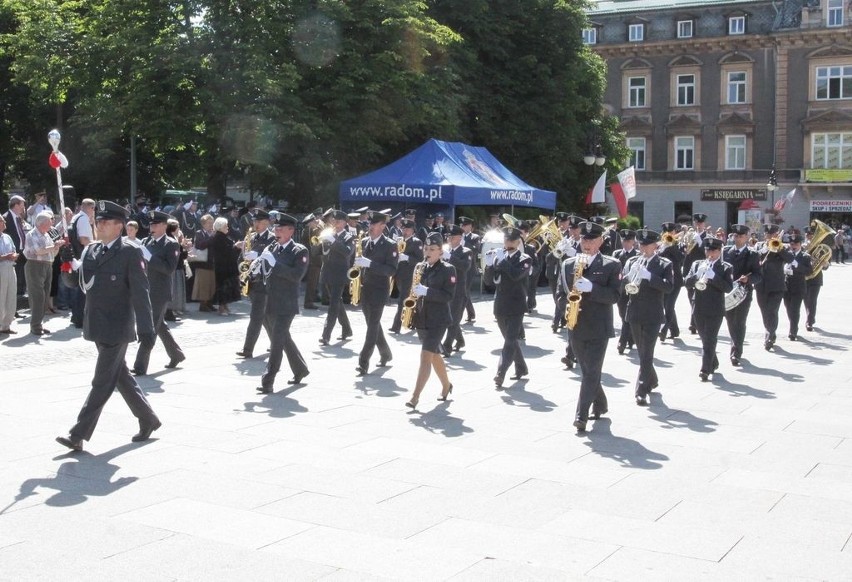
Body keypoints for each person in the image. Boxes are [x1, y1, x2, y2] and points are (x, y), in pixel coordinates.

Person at [55, 201, 160, 451]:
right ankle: (148, 419)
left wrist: (147, 328)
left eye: (105, 222)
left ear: (119, 226)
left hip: (118, 326)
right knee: (120, 376)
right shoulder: (91, 251)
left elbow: (140, 292)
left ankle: (78, 434)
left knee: (101, 381)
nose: (99, 225)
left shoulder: (130, 252)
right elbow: (78, 285)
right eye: (98, 221)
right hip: (96, 324)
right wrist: (67, 263)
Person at [559, 221, 621, 431]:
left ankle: (581, 416)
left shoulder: (611, 264)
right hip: (575, 324)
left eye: (591, 239)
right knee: (588, 371)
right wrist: (565, 309)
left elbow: (614, 296)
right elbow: (561, 293)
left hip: (598, 327)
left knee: (592, 370)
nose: (587, 243)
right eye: (584, 239)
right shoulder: (568, 264)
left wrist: (592, 288)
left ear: (600, 241)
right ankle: (601, 403)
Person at [256, 214, 311, 393]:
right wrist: (256, 264)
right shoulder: (273, 247)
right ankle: (300, 369)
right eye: (275, 229)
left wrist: (274, 264)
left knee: (277, 342)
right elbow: (266, 272)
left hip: (286, 303)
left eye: (280, 229)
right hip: (269, 300)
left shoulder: (299, 251)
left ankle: (268, 380)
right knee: (283, 338)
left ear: (291, 231)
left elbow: (296, 276)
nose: (276, 232)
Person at [131, 210, 186, 375]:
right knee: (159, 325)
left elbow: (169, 269)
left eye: (155, 224)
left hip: (160, 292)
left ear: (164, 226)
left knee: (150, 328)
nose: (152, 227)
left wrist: (149, 258)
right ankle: (176, 354)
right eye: (151, 224)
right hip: (145, 289)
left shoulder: (171, 244)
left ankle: (140, 365)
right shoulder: (147, 241)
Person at [406, 232, 456, 409]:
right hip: (422, 317)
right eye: (426, 249)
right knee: (434, 355)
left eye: (432, 249)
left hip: (439, 319)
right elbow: (414, 291)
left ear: (440, 252)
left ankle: (415, 396)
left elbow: (448, 296)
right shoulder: (420, 266)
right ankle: (446, 385)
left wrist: (427, 291)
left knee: (425, 355)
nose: (428, 252)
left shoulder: (448, 269)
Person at [624, 230, 674, 405]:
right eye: (641, 244)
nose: (643, 248)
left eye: (647, 245)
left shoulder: (664, 264)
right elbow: (623, 283)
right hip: (635, 311)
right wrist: (630, 276)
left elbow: (668, 287)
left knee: (647, 353)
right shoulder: (632, 261)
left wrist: (650, 276)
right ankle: (652, 379)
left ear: (655, 246)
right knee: (642, 351)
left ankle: (641, 390)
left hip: (653, 313)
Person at [484, 226, 533, 388]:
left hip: (517, 305)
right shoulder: (499, 256)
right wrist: (490, 266)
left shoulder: (525, 259)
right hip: (500, 305)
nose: (509, 243)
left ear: (518, 242)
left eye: (512, 240)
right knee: (509, 340)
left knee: (510, 340)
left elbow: (516, 275)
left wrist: (502, 261)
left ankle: (500, 372)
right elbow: (489, 282)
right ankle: (521, 367)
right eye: (507, 240)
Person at [353, 211, 399, 375]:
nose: (370, 227)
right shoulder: (364, 242)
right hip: (365, 289)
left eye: (374, 224)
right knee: (373, 324)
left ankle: (363, 362)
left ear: (383, 226)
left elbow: (391, 270)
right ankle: (386, 353)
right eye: (369, 224)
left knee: (372, 326)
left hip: (380, 290)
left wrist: (370, 264)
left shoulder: (389, 245)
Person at [684, 237, 734, 381]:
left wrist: (713, 277)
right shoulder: (697, 264)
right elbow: (686, 283)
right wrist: (696, 275)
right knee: (704, 338)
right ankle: (713, 361)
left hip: (715, 308)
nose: (710, 253)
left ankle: (705, 370)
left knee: (710, 338)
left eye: (713, 250)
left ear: (719, 251)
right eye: (707, 250)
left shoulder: (725, 267)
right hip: (698, 306)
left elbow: (728, 287)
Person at [236, 209, 274, 358]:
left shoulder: (272, 239)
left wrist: (257, 255)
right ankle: (277, 341)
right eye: (254, 221)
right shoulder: (250, 238)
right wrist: (242, 268)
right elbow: (241, 259)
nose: (255, 224)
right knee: (264, 317)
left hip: (264, 282)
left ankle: (248, 349)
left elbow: (273, 259)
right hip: (251, 281)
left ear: (266, 222)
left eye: (258, 222)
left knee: (256, 316)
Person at [722, 224, 762, 365]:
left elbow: (758, 275)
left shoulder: (752, 254)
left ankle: (736, 352)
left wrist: (748, 279)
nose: (738, 238)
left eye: (741, 236)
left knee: (739, 322)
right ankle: (735, 344)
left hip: (743, 293)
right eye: (735, 236)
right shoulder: (725, 251)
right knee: (730, 321)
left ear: (746, 237)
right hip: (727, 292)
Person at [24, 211, 67, 335]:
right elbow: (38, 251)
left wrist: (57, 247)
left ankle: (39, 324)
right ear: (41, 223)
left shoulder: (47, 235)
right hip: (35, 266)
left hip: (48, 265)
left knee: (45, 296)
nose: (51, 225)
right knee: (38, 296)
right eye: (49, 222)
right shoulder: (32, 234)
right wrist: (54, 246)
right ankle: (35, 326)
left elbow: (52, 253)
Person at [754, 224, 794, 350]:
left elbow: (790, 259)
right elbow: (754, 258)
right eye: (768, 234)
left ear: (777, 234)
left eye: (773, 234)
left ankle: (769, 336)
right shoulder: (759, 245)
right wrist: (765, 250)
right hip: (761, 285)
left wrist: (779, 248)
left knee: (772, 311)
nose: (770, 236)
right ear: (765, 235)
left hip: (777, 285)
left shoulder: (783, 246)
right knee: (765, 312)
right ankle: (771, 332)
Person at [318, 210, 355, 344]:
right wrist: (320, 242)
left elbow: (347, 252)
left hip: (339, 274)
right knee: (337, 302)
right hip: (327, 272)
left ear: (345, 223)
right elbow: (317, 252)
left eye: (338, 221)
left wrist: (333, 241)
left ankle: (326, 335)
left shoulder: (348, 237)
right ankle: (347, 329)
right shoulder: (329, 234)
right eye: (334, 221)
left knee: (333, 304)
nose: (335, 223)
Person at [389, 218, 424, 333]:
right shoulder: (398, 240)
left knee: (402, 300)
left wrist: (407, 258)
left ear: (413, 230)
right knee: (413, 300)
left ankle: (396, 326)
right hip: (398, 274)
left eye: (407, 229)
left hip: (410, 275)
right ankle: (417, 322)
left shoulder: (416, 242)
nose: (405, 231)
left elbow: (420, 260)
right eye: (403, 229)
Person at [441, 224, 472, 353]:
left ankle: (447, 346)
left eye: (452, 237)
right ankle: (460, 340)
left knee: (453, 318)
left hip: (458, 290)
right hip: (444, 289)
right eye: (448, 236)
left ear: (459, 238)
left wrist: (450, 257)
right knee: (448, 318)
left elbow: (465, 267)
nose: (448, 238)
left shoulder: (466, 252)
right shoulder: (445, 250)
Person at [66, 198, 95, 328]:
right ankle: (80, 318)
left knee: (79, 288)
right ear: (90, 207)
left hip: (76, 256)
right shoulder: (83, 219)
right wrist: (96, 246)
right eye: (93, 208)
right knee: (84, 288)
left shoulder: (76, 217)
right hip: (83, 255)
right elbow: (83, 239)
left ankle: (75, 316)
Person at [657, 222, 685, 341]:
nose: (668, 234)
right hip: (664, 279)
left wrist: (671, 246)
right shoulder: (660, 245)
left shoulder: (679, 244)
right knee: (666, 305)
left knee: (669, 306)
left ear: (675, 232)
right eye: (666, 232)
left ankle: (664, 330)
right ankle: (675, 330)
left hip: (676, 280)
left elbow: (681, 259)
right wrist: (663, 247)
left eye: (671, 232)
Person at [782, 233, 812, 341]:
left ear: (800, 244)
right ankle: (793, 325)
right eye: (791, 244)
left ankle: (793, 331)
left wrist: (797, 265)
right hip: (786, 286)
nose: (793, 246)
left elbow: (809, 271)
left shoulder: (805, 256)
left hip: (798, 287)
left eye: (796, 244)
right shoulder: (786, 255)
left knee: (795, 309)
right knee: (789, 309)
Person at [209, 216, 241, 315]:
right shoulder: (218, 237)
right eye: (225, 226)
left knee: (227, 287)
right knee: (223, 287)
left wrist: (235, 247)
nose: (227, 227)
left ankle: (225, 306)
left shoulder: (223, 236)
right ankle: (221, 307)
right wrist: (235, 247)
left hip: (227, 266)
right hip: (223, 267)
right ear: (220, 227)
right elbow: (226, 252)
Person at [683, 213, 709, 334]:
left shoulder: (708, 238)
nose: (698, 225)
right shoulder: (689, 235)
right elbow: (685, 253)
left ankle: (694, 323)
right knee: (691, 296)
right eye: (696, 223)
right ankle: (695, 321)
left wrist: (700, 243)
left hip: (702, 270)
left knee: (697, 298)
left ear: (704, 224)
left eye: (701, 223)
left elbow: (708, 255)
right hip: (689, 269)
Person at [613, 229, 638, 354]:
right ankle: (630, 338)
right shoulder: (616, 254)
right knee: (623, 316)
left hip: (633, 291)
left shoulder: (638, 255)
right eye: (623, 240)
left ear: (633, 241)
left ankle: (622, 342)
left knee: (628, 316)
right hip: (620, 290)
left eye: (628, 241)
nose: (626, 243)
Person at [4, 194, 29, 296]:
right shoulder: (5, 218)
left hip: (22, 251)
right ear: (16, 205)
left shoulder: (19, 218)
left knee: (21, 277)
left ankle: (19, 298)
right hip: (11, 254)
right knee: (14, 279)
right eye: (22, 205)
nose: (24, 208)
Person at [191, 215, 216, 312]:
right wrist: (211, 238)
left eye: (212, 223)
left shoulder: (214, 233)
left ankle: (209, 302)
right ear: (203, 224)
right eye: (209, 223)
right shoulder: (199, 233)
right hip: (203, 263)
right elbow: (200, 245)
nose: (211, 225)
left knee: (211, 284)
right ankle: (203, 304)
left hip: (212, 262)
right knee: (203, 284)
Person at [459, 216, 480, 323]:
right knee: (463, 292)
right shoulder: (458, 236)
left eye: (465, 225)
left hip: (470, 268)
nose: (463, 227)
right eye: (461, 225)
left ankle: (458, 315)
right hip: (460, 267)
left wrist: (465, 243)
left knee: (464, 291)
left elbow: (476, 250)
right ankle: (471, 314)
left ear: (470, 226)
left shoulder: (475, 237)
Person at [0, 214, 19, 334]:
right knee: (1, 296)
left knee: (11, 295)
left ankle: (6, 325)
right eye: (2, 221)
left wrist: (14, 256)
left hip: (10, 268)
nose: (4, 222)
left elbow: (13, 249)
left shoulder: (7, 237)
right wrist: (5, 257)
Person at [301, 213, 322, 309]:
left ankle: (311, 299)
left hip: (315, 260)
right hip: (312, 260)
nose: (316, 222)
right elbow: (314, 243)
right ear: (309, 223)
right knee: (312, 283)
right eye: (314, 221)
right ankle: (308, 303)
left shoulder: (310, 230)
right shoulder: (308, 230)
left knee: (314, 282)